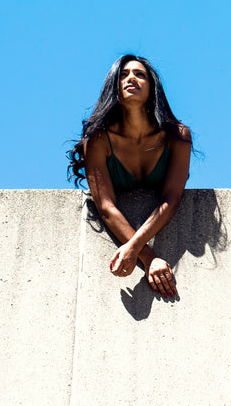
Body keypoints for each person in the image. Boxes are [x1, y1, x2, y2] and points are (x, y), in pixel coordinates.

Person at [67, 55, 192, 299]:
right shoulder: (98, 139)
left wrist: (133, 248)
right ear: (113, 87)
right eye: (123, 75)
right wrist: (149, 258)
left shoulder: (178, 136)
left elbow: (172, 198)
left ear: (152, 87)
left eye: (139, 74)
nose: (131, 78)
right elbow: (105, 206)